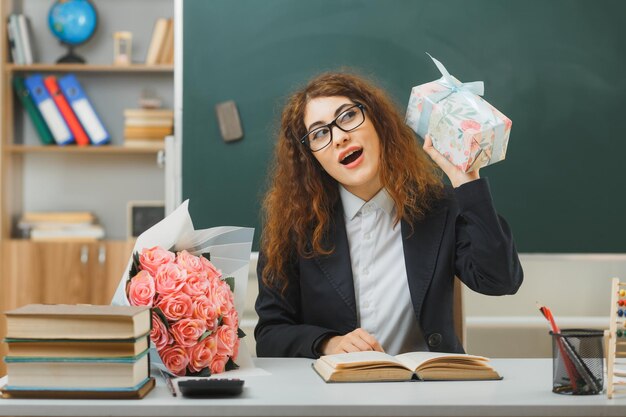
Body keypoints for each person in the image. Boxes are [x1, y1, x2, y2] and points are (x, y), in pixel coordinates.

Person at [254, 71, 523, 358]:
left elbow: (501, 280)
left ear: (378, 122)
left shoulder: (438, 208)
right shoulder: (294, 227)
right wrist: (328, 344)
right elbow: (270, 335)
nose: (339, 138)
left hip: (427, 392)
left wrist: (465, 180)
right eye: (320, 133)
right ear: (312, 158)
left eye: (347, 117)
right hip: (336, 396)